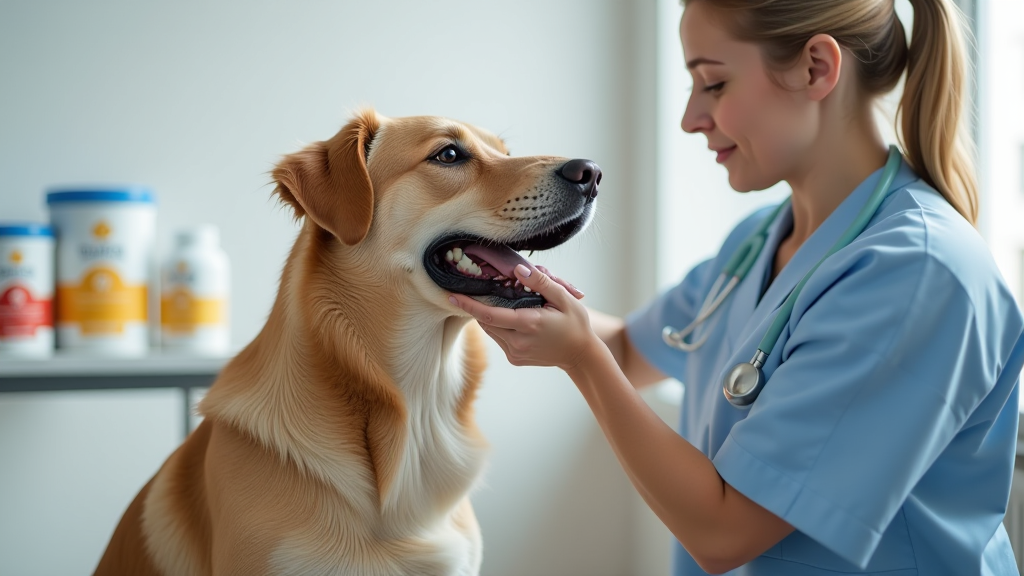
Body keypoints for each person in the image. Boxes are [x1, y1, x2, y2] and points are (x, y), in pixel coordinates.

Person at [447, 0, 1024, 574]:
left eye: (713, 83)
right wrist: (496, 283)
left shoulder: (917, 273)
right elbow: (627, 350)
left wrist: (579, 357)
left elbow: (723, 533)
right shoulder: (758, 240)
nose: (689, 118)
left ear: (816, 68)